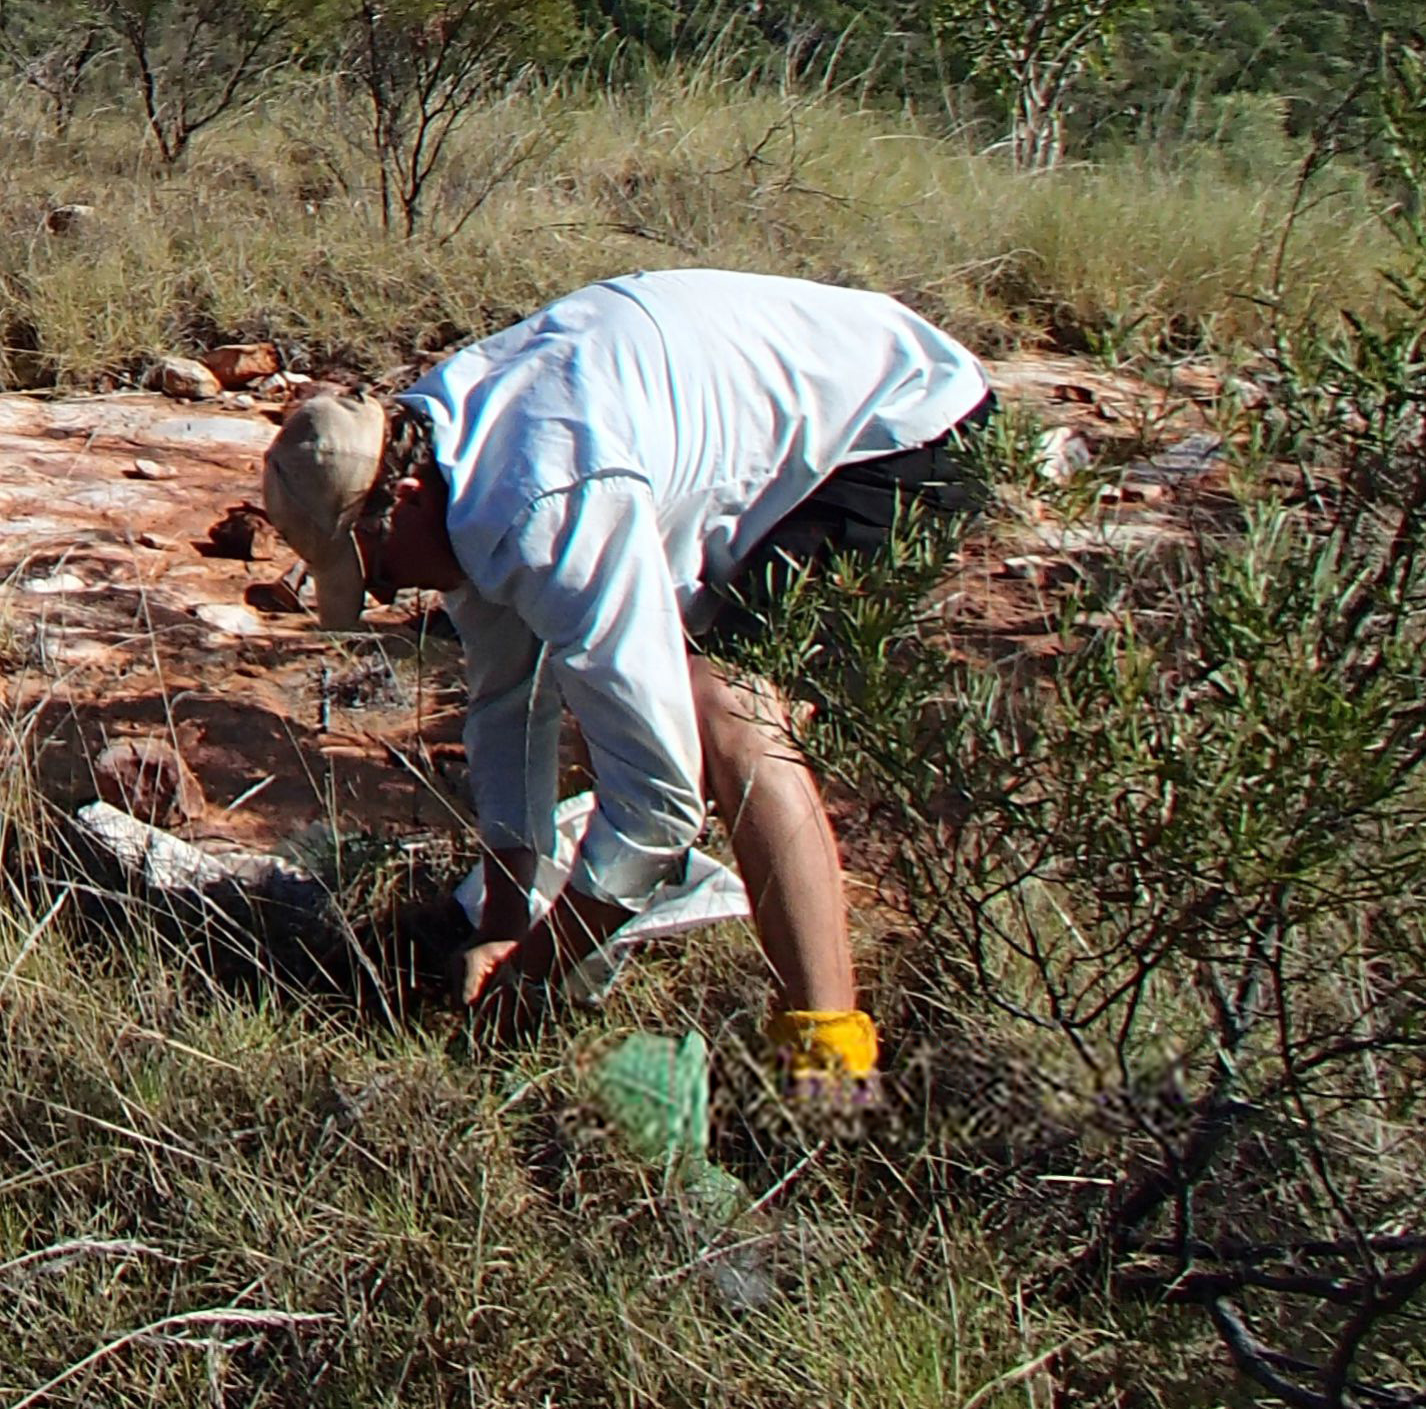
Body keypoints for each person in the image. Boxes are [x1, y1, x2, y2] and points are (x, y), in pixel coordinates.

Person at [256, 268, 994, 1102]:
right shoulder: (432, 446)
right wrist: (507, 921)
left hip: (901, 418)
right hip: (787, 403)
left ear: (409, 498)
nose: (387, 595)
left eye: (376, 570)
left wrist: (539, 970)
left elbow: (659, 809)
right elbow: (508, 701)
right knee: (673, 688)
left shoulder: (548, 501)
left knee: (726, 711)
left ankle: (827, 1080)